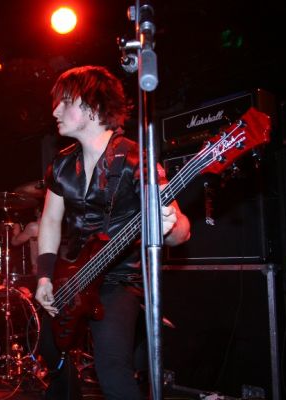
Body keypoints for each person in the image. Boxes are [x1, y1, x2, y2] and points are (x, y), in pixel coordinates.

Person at [34, 66, 191, 399]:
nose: (55, 111)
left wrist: (169, 226)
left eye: (64, 102)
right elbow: (49, 221)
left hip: (120, 279)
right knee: (49, 347)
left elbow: (182, 232)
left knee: (112, 368)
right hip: (73, 276)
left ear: (92, 107)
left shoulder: (137, 160)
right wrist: (45, 277)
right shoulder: (61, 165)